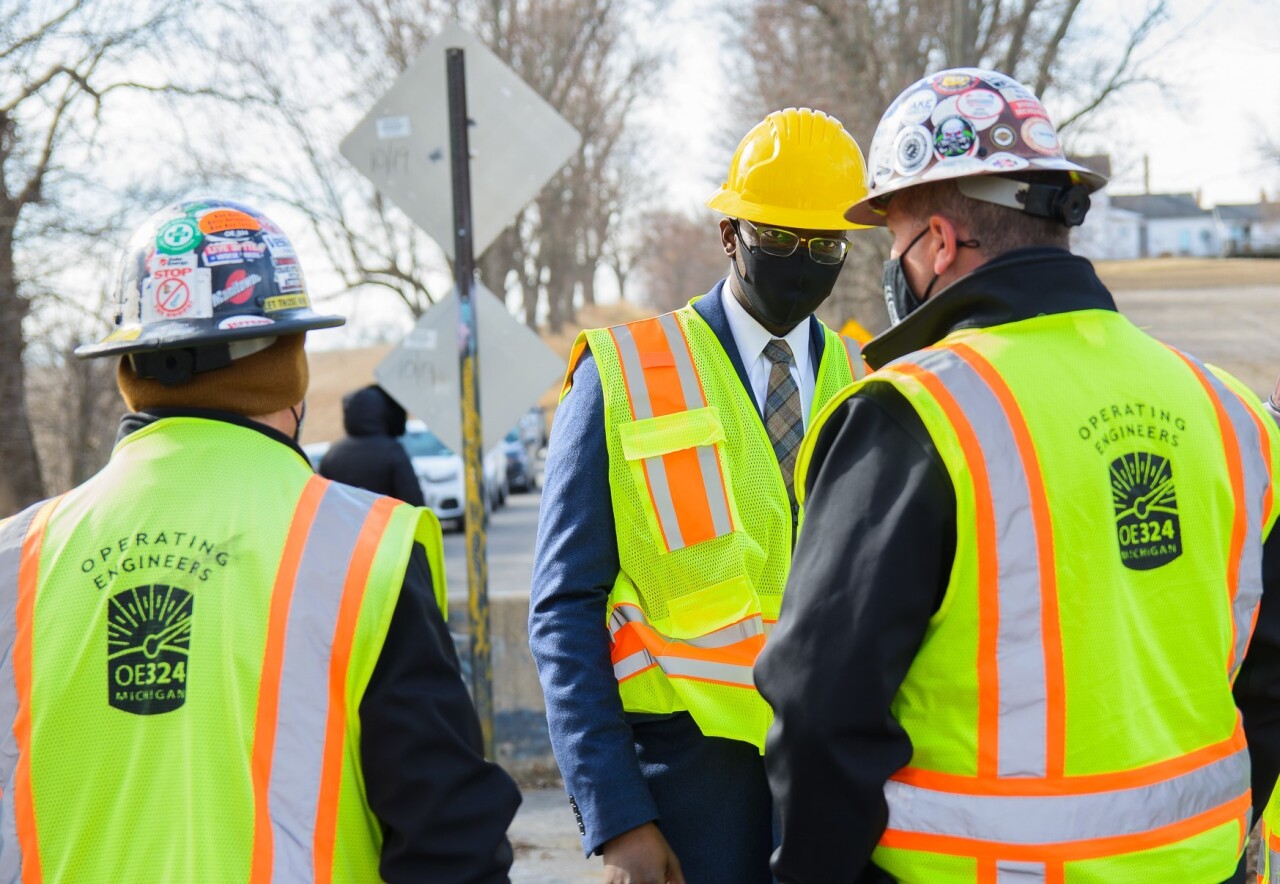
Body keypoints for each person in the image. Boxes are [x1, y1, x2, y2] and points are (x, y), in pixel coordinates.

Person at [755, 68, 1280, 883]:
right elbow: (1267, 674)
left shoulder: (913, 415)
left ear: (936, 240)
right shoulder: (1233, 415)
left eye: (892, 243)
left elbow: (821, 711)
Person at [0, 198, 520, 881]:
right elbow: (448, 841)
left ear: (130, 369)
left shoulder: (17, 560)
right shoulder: (359, 551)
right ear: (290, 364)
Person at [529, 107, 872, 884]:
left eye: (825, 246)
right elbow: (565, 606)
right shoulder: (623, 372)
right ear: (729, 235)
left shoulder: (869, 381)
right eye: (779, 240)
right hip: (685, 806)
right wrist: (617, 819)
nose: (802, 262)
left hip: (838, 803)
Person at [320, 383, 426, 506]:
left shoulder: (332, 454)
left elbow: (325, 503)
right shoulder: (392, 451)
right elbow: (413, 501)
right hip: (388, 524)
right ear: (383, 412)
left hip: (343, 524)